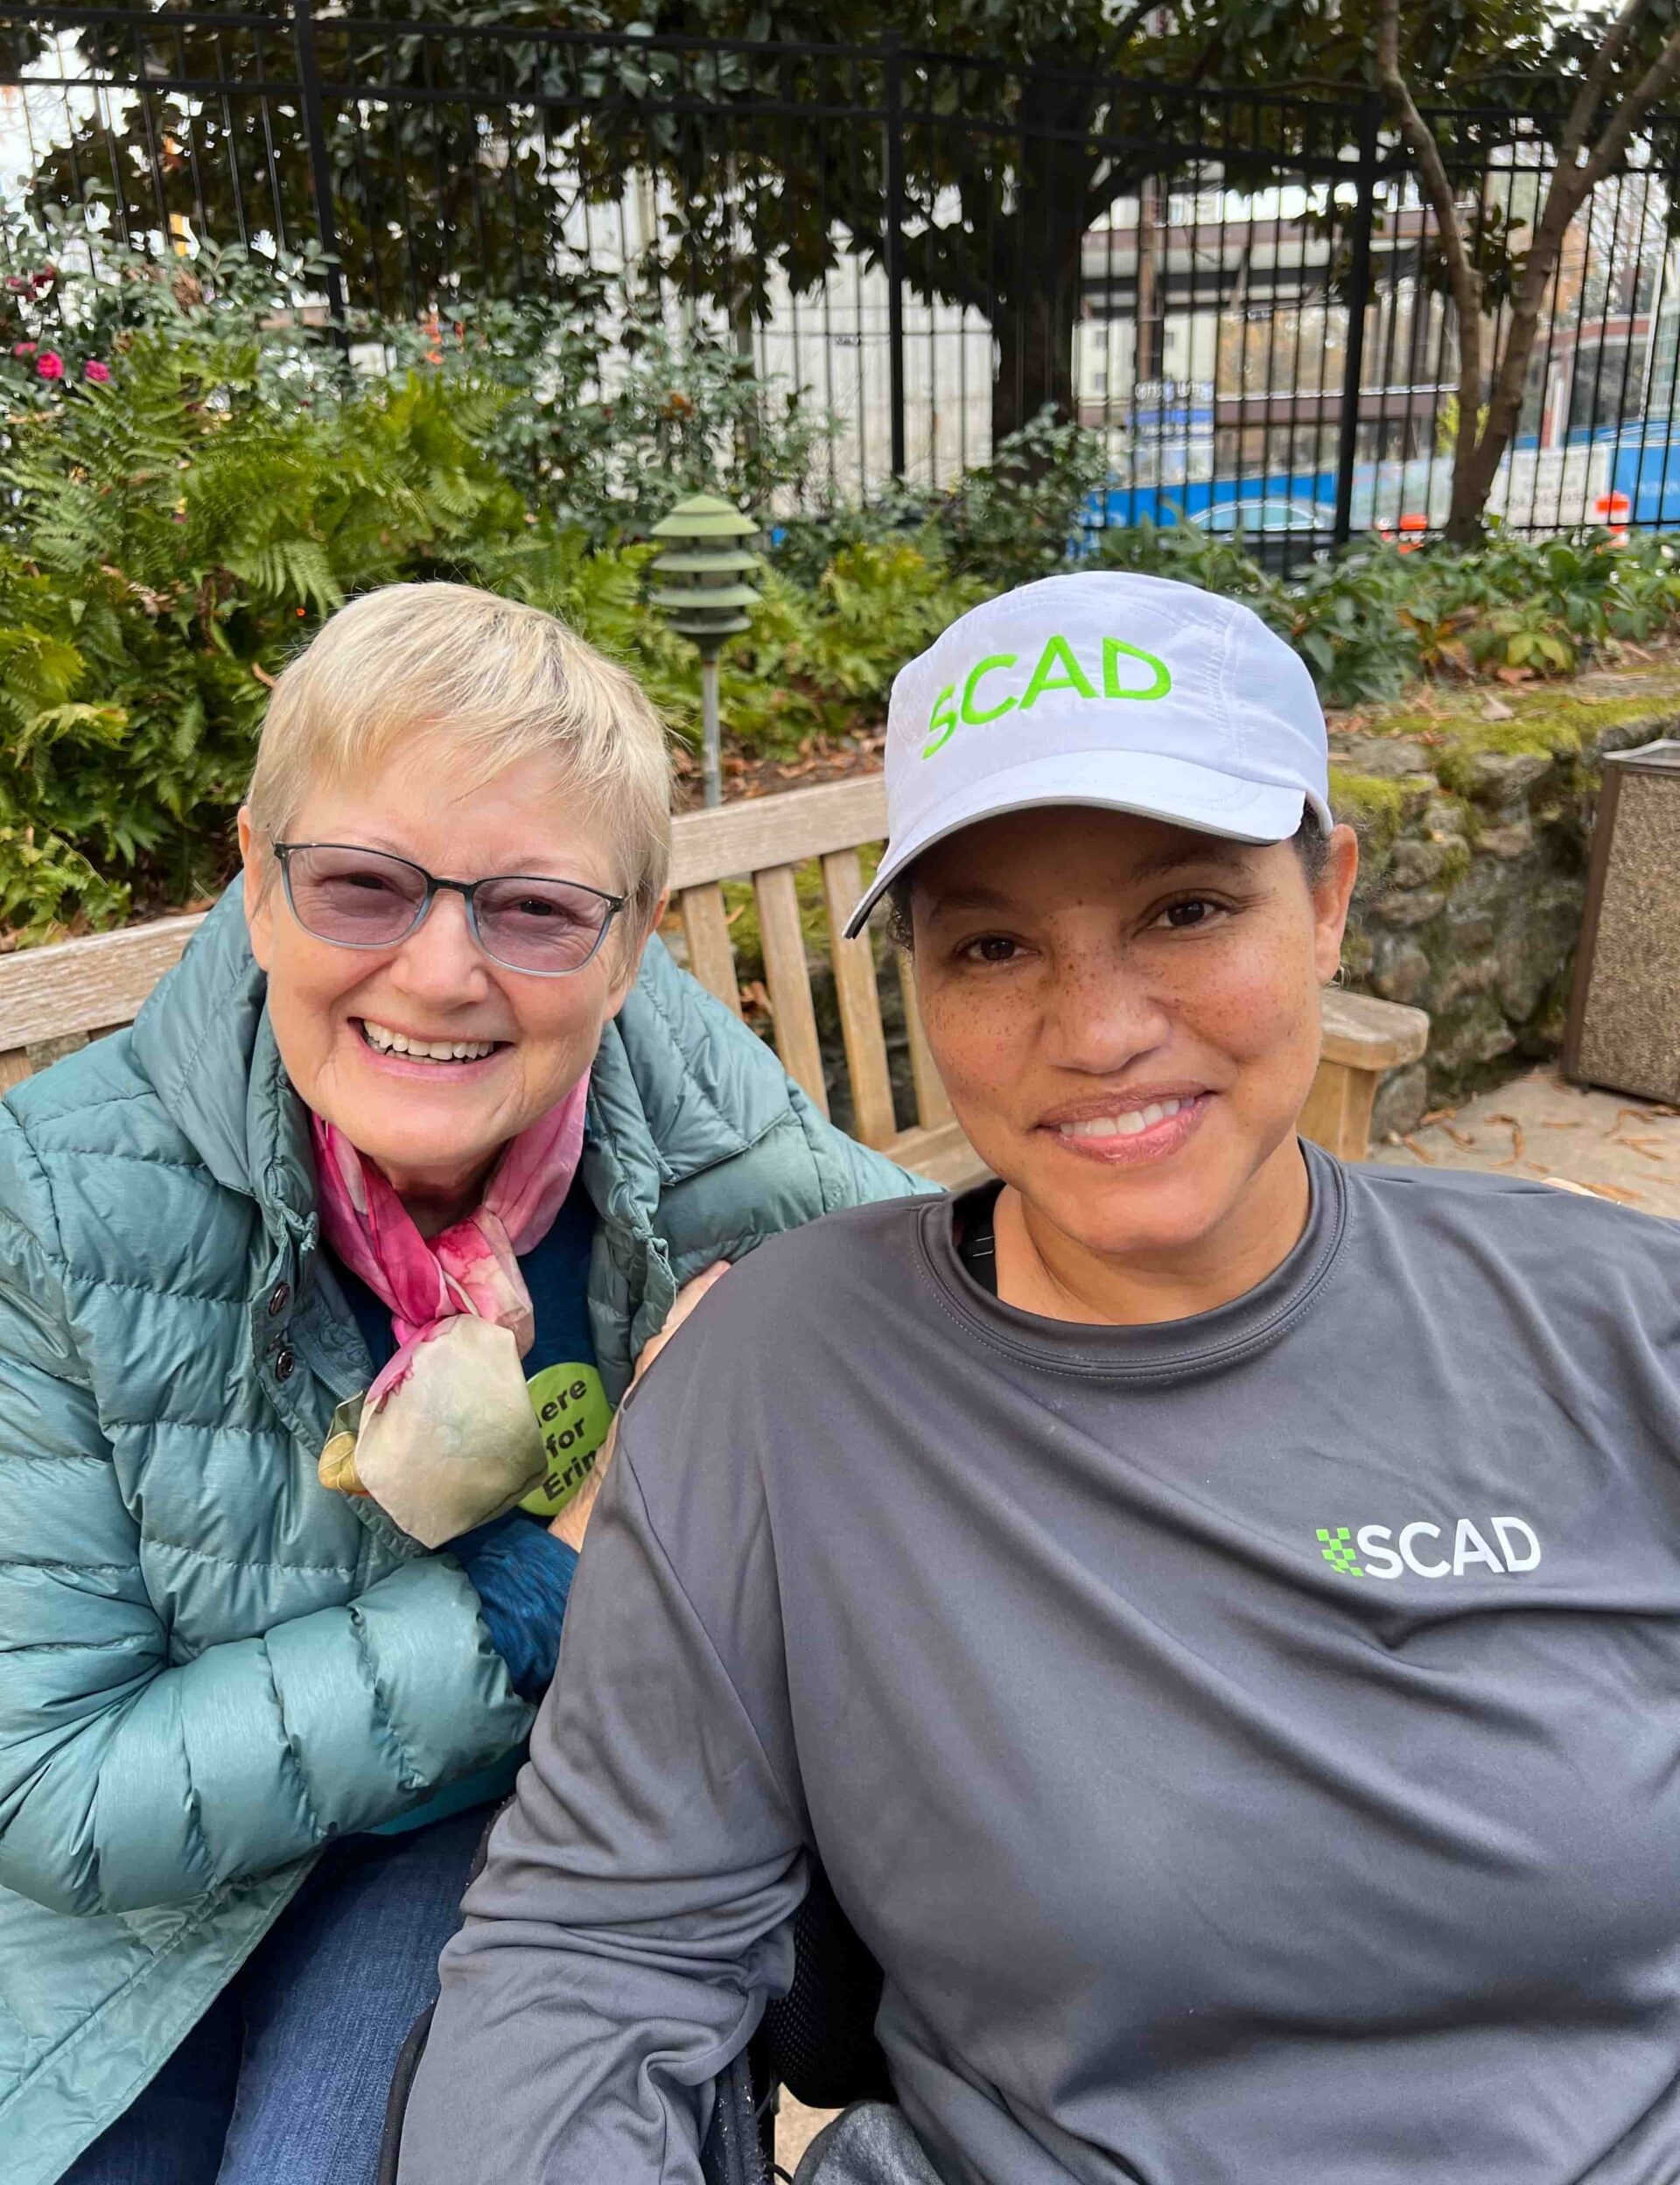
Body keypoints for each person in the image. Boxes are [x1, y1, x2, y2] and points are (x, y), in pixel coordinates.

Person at [397, 571, 1680, 2185]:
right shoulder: (784, 1388)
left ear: (1331, 895)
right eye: (996, 944)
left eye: (1186, 910)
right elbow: (595, 1952)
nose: (1097, 1028)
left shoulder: (1618, 1325)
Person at [0, 580, 928, 2185]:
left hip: (490, 1841)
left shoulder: (688, 1117)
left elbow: (953, 1291)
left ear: (630, 945)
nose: (439, 975)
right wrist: (554, 1581)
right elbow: (60, 1791)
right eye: (362, 886)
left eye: (534, 909)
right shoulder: (58, 1204)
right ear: (257, 877)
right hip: (127, 1944)